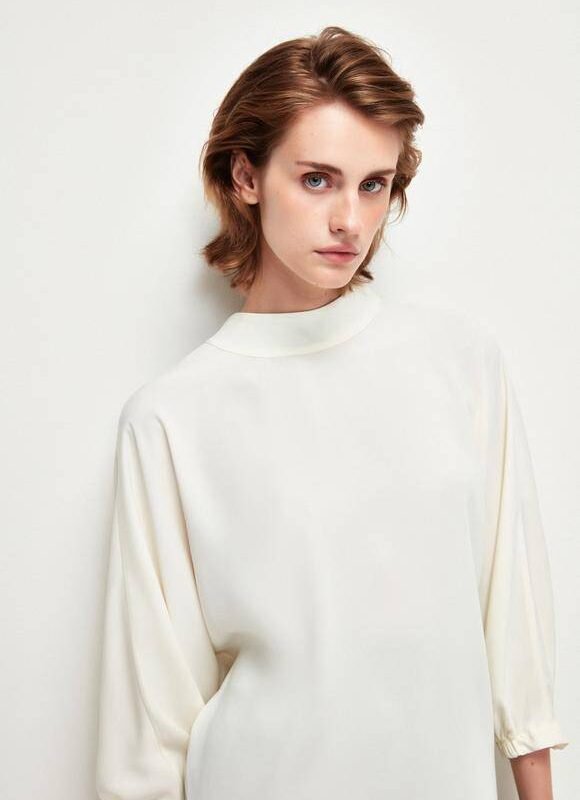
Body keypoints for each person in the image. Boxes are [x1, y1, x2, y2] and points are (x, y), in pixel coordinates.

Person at [95, 25, 569, 800]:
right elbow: (148, 722)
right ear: (246, 176)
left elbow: (513, 623)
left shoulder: (458, 361)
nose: (350, 218)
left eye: (374, 184)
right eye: (318, 179)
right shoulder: (171, 419)